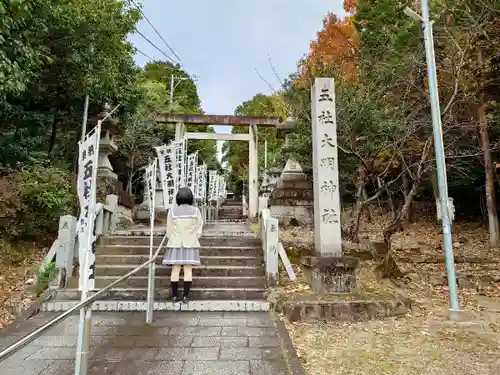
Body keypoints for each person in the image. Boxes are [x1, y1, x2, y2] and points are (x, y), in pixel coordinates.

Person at [163, 187, 204, 303]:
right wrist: (194, 237)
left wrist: (172, 238)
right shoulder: (196, 211)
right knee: (188, 270)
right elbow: (199, 227)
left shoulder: (172, 211)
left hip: (175, 243)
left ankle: (175, 296)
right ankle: (185, 296)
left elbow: (169, 230)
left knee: (175, 270)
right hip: (190, 243)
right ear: (191, 198)